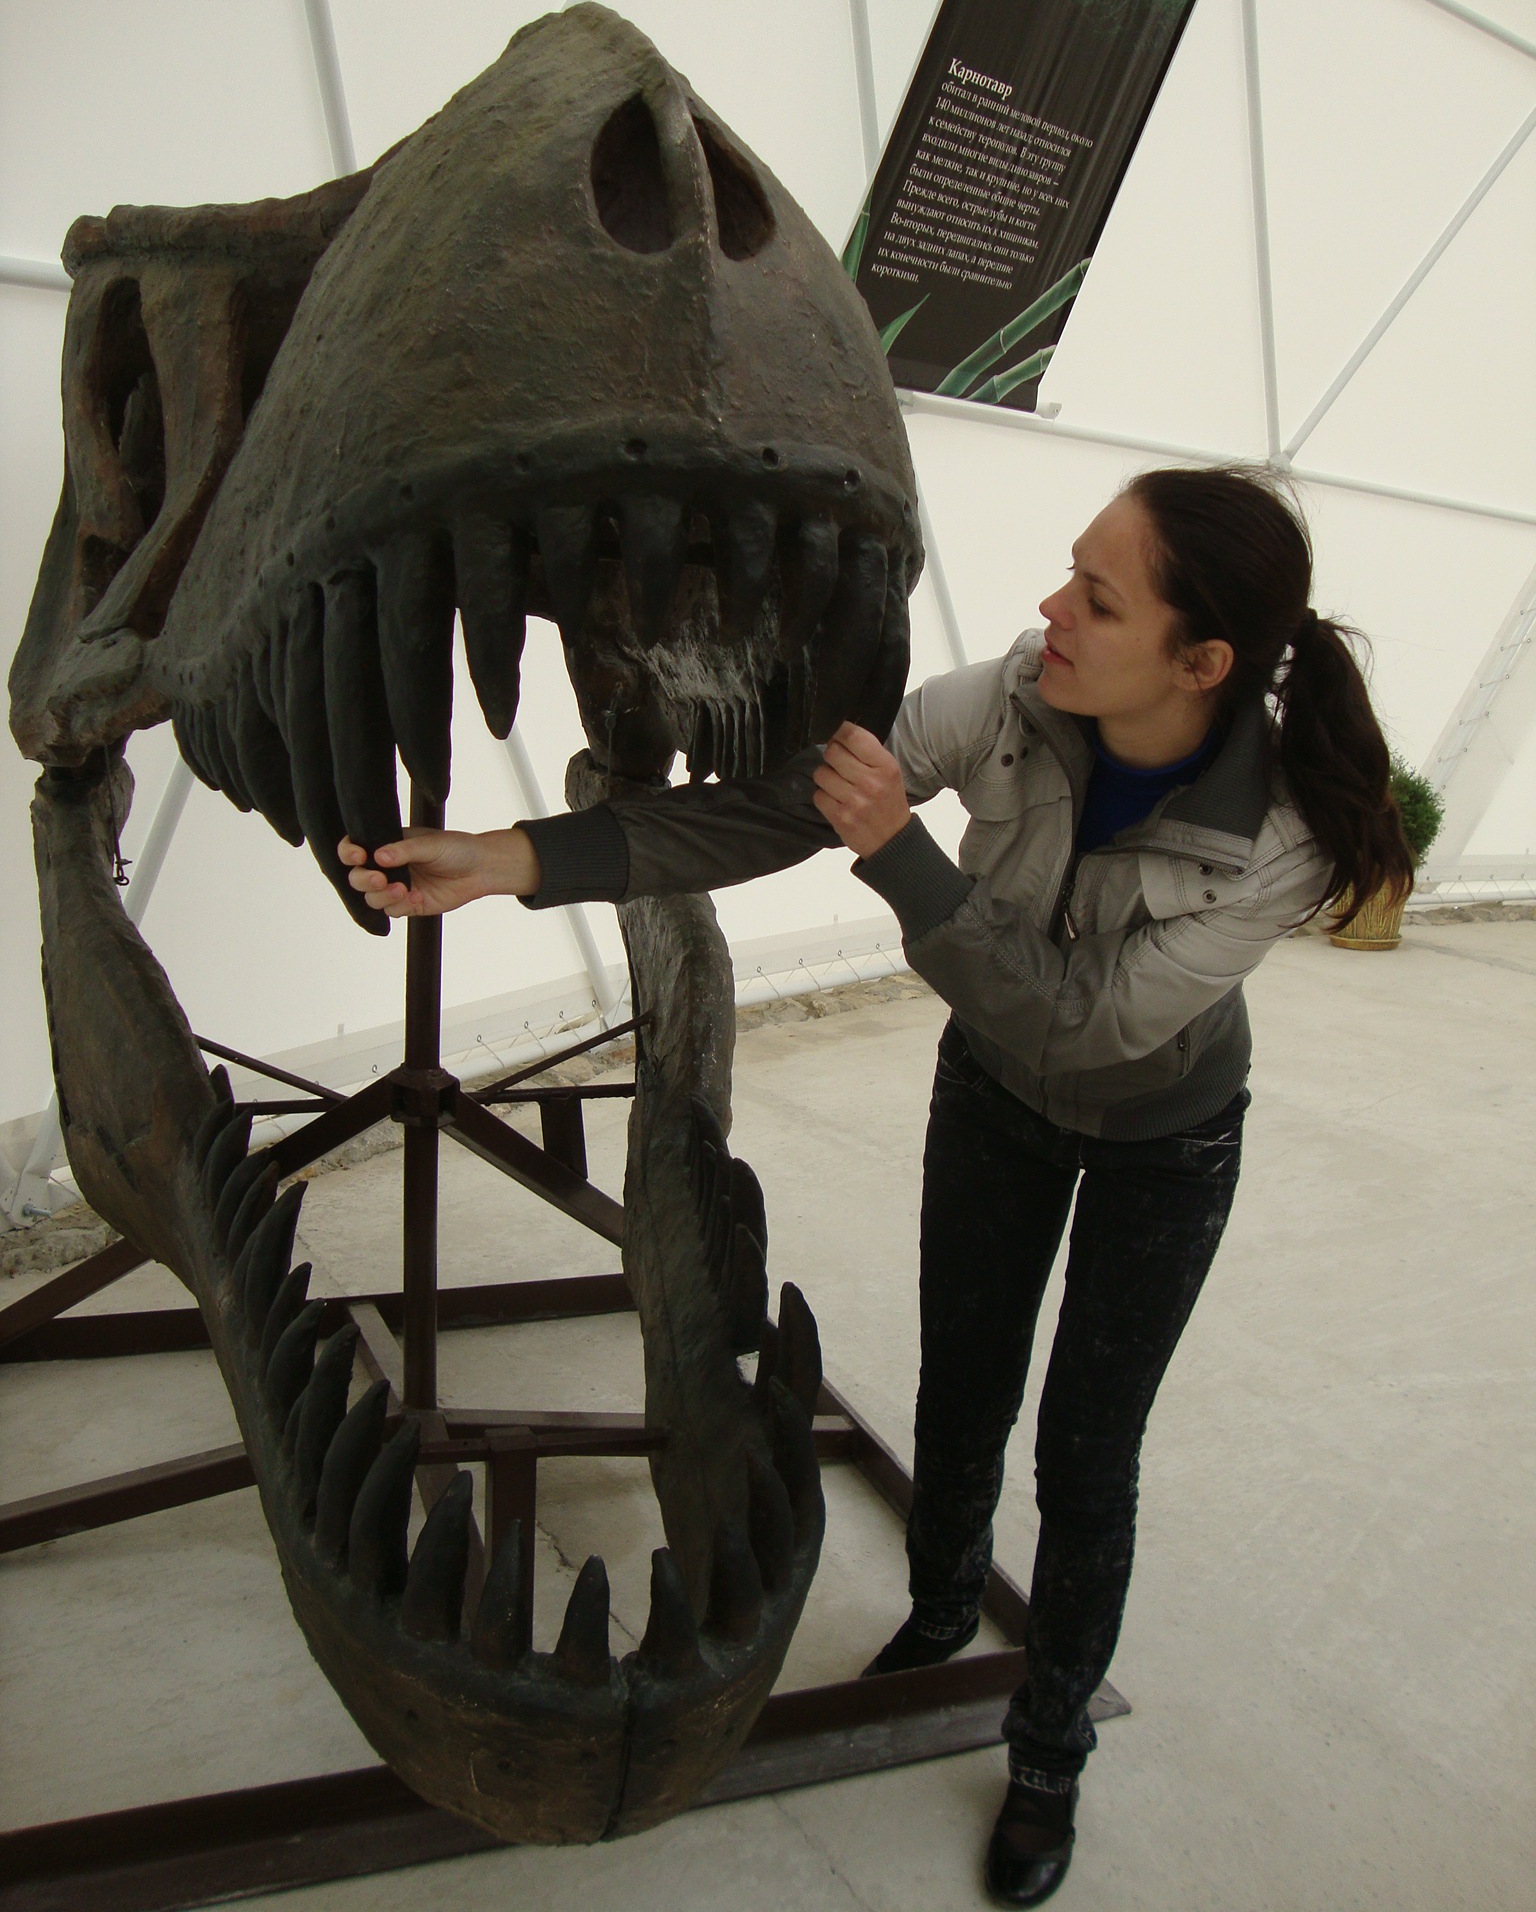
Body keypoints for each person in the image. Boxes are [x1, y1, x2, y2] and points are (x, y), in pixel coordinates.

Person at [341, 464, 1414, 1906]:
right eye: (1069, 571)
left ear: (1201, 662)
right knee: (962, 1383)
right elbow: (779, 811)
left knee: (1088, 1450)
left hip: (1163, 1139)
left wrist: (902, 856)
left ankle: (1047, 1754)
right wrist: (516, 856)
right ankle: (943, 1607)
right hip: (995, 1097)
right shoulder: (1014, 695)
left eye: (1099, 600)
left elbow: (1083, 1024)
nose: (1051, 610)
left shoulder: (1274, 839)